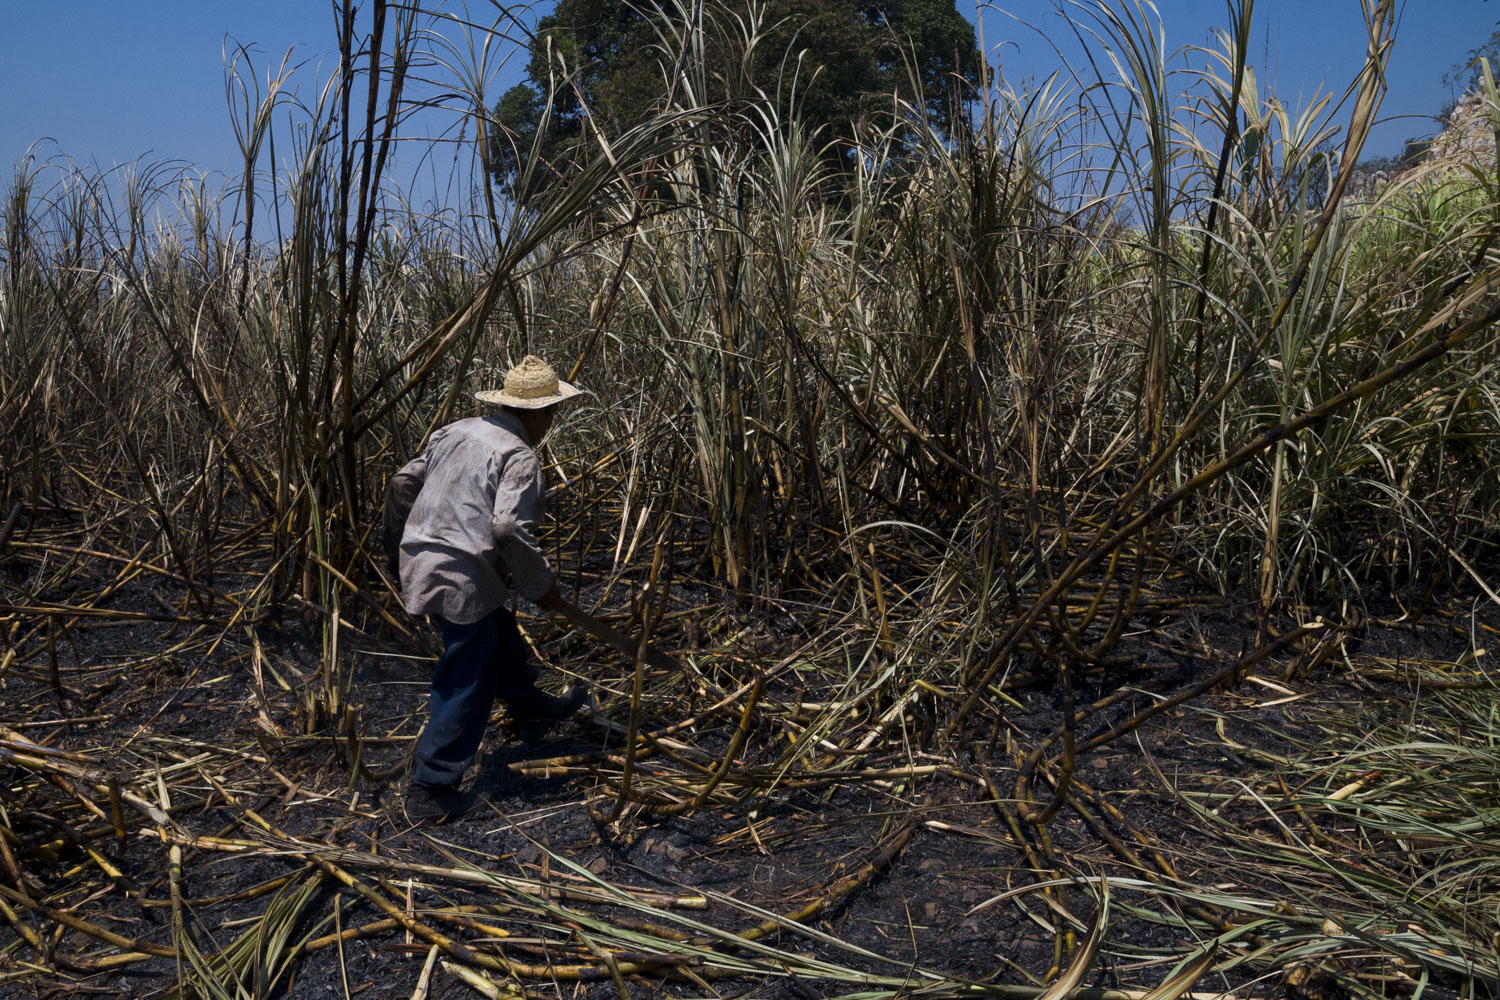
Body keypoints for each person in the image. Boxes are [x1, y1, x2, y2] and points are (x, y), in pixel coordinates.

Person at [383, 355, 587, 825]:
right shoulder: (519, 456)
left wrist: (399, 552)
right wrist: (543, 588)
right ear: (536, 413)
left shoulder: (457, 430)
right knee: (467, 674)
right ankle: (431, 789)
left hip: (424, 557)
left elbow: (401, 484)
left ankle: (528, 706)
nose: (550, 423)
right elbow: (510, 529)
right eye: (552, 413)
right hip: (462, 572)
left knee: (496, 628)